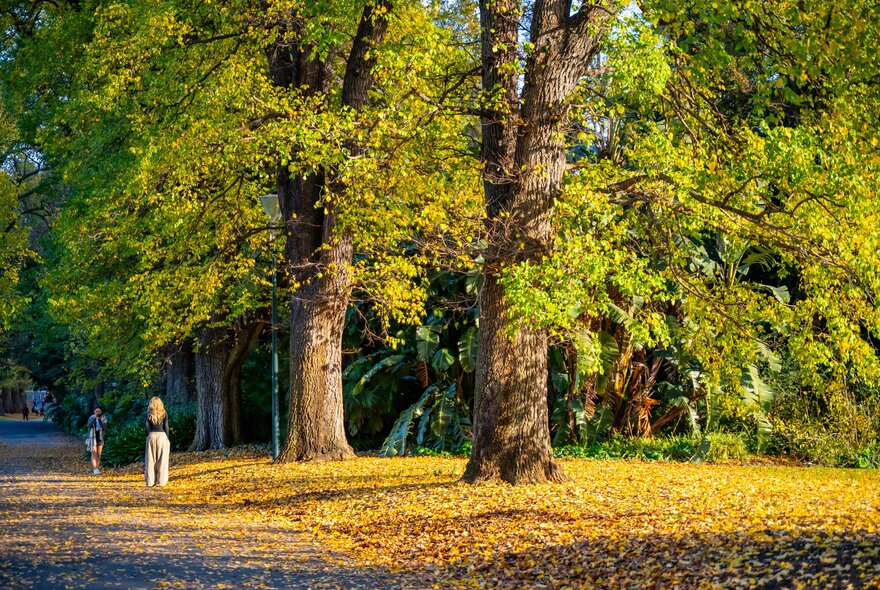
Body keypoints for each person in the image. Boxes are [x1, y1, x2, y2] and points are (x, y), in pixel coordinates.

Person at [144, 396, 170, 487]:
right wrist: (167, 438)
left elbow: (146, 427)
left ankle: (150, 482)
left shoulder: (148, 414)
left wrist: (148, 435)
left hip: (151, 435)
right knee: (162, 460)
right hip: (162, 436)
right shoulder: (164, 414)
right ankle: (161, 482)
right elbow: (166, 427)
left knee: (150, 460)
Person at [87, 407, 107, 475]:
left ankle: (97, 468)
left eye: (99, 411)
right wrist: (94, 418)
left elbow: (104, 427)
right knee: (94, 453)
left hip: (100, 438)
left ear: (101, 412)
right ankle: (94, 469)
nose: (97, 413)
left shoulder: (103, 417)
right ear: (94, 411)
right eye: (96, 411)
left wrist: (99, 420)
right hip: (93, 438)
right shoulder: (91, 417)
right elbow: (89, 426)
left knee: (98, 454)